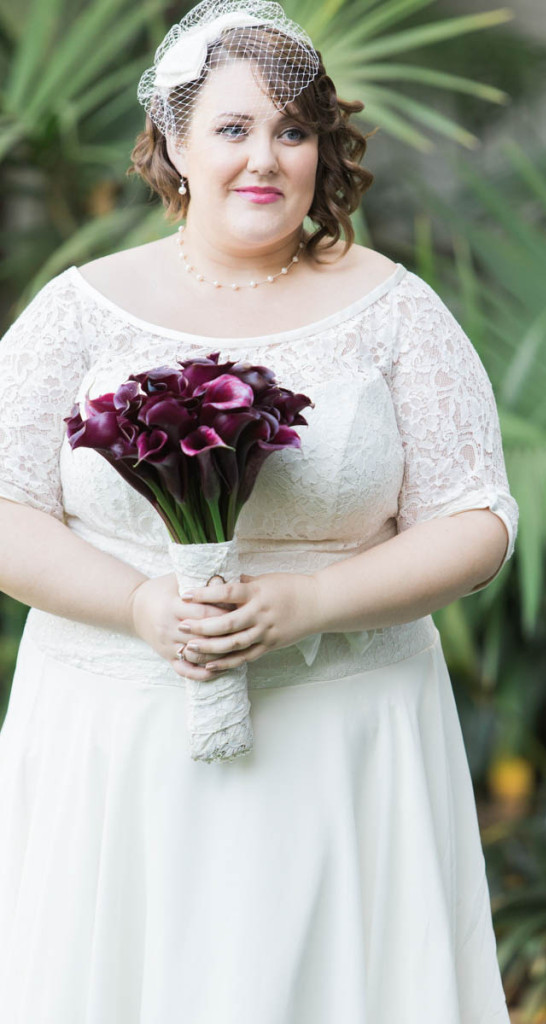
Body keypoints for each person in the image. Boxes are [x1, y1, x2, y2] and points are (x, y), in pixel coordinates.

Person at [0, 1, 519, 1021]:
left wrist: (307, 604)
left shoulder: (396, 309)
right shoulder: (79, 310)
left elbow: (476, 518)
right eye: (233, 129)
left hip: (344, 742)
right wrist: (146, 605)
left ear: (325, 149)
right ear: (175, 144)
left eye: (292, 130)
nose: (265, 159)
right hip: (117, 742)